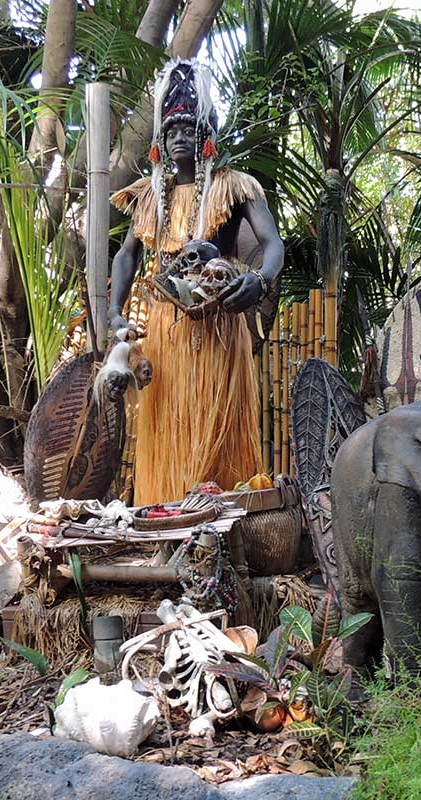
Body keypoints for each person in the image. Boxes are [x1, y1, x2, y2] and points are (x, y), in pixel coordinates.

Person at [106, 59, 284, 506]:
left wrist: (260, 281)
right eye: (172, 131)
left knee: (218, 422)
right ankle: (165, 521)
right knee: (166, 423)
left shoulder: (235, 187)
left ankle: (222, 525)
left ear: (207, 136)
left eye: (190, 128)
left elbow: (273, 242)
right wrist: (114, 311)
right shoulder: (149, 197)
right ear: (160, 143)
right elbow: (127, 254)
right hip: (165, 332)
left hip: (219, 328)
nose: (181, 136)